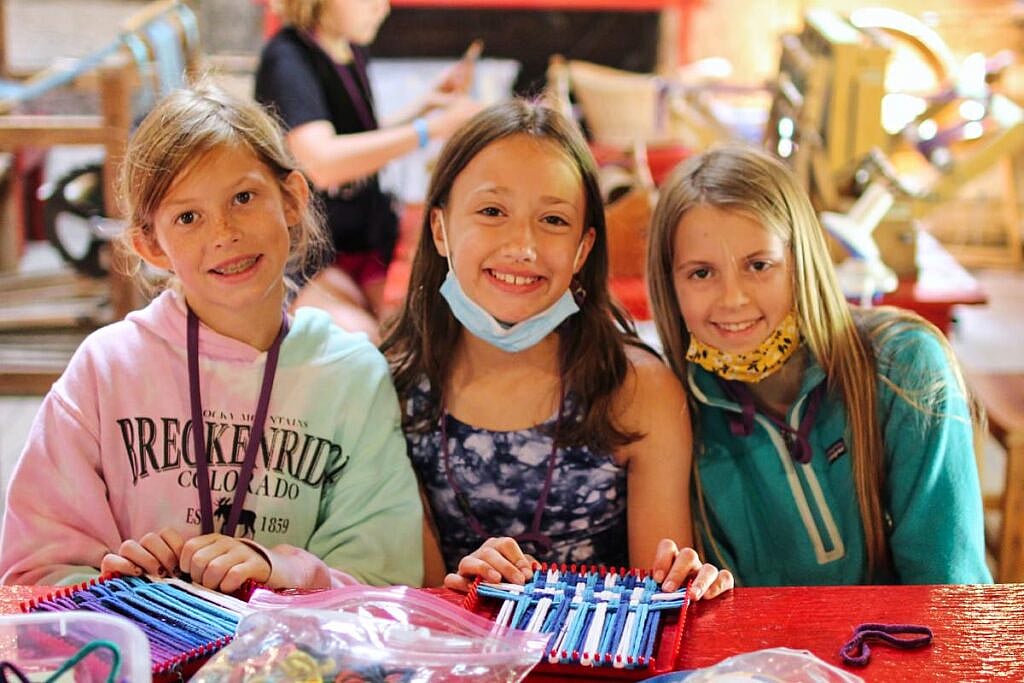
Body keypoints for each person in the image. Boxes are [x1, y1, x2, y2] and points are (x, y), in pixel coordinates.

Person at [0, 84, 423, 592]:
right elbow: (31, 576)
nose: (223, 233)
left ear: (292, 199)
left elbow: (386, 581)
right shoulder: (105, 370)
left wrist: (283, 570)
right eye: (188, 217)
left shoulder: (351, 374)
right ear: (150, 245)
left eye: (243, 198)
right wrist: (122, 586)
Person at [381, 100, 733, 600]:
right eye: (491, 212)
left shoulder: (638, 388)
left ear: (583, 249)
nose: (522, 245)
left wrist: (688, 581)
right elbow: (410, 608)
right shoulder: (390, 387)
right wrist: (457, 591)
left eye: (552, 220)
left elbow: (661, 598)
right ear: (439, 229)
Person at [645, 143, 992, 585]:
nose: (732, 298)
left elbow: (949, 589)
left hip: (902, 650)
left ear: (801, 262)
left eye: (759, 265)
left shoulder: (906, 368)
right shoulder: (669, 408)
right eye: (701, 273)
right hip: (751, 655)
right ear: (668, 283)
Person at [255, 0, 481, 341]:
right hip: (310, 253)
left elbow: (355, 136)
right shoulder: (287, 59)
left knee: (421, 332)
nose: (383, 9)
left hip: (362, 237)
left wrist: (426, 105)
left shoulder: (347, 47)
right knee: (365, 343)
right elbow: (323, 162)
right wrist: (428, 130)